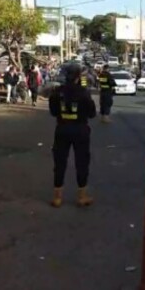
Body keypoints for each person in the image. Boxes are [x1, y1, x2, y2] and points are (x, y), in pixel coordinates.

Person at [48, 63, 97, 208]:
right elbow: (92, 113)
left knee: (59, 163)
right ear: (78, 77)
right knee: (82, 162)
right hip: (80, 130)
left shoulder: (57, 92)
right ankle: (82, 196)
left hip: (62, 129)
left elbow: (53, 112)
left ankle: (57, 197)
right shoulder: (84, 92)